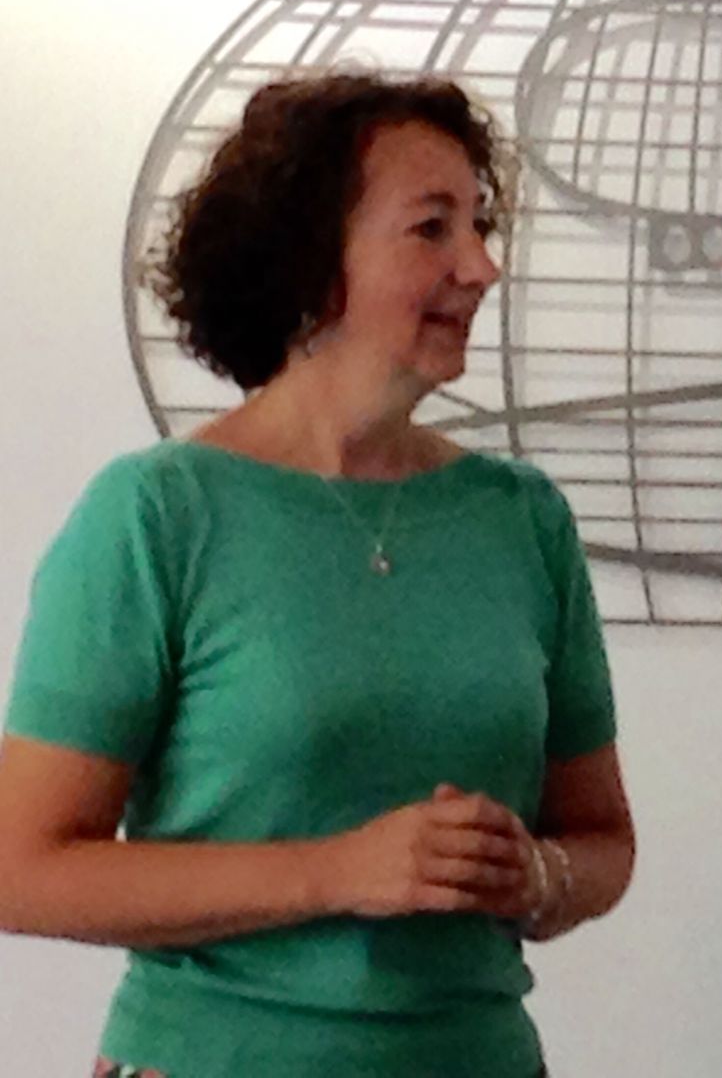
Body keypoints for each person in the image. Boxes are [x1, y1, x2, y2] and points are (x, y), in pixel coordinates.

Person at [0, 70, 635, 1076]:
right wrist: (336, 872)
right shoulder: (157, 516)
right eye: (431, 228)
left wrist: (538, 876)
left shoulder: (523, 520)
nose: (481, 266)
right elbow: (20, 870)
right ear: (310, 258)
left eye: (479, 224)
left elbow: (603, 841)